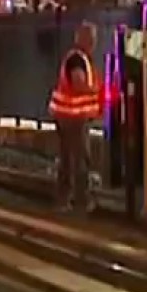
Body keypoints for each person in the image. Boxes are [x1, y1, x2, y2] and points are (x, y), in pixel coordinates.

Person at [48, 21, 103, 212]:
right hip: (73, 118)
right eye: (91, 38)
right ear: (83, 39)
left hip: (66, 116)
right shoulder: (77, 60)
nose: (94, 42)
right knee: (80, 159)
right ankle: (81, 200)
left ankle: (64, 199)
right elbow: (79, 83)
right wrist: (98, 90)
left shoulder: (79, 58)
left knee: (67, 159)